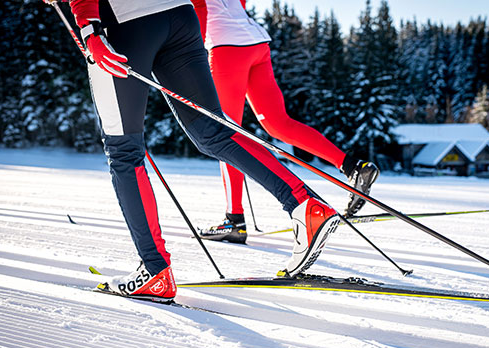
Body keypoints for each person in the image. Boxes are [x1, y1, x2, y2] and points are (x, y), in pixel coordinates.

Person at [61, 0, 340, 301]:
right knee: (213, 131)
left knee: (124, 151)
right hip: (181, 16)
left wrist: (90, 29)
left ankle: (154, 271)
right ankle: (304, 204)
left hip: (122, 24)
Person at [192, 0, 380, 245]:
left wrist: (189, 59)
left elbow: (200, 9)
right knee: (278, 124)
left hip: (226, 47)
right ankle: (353, 166)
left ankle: (234, 220)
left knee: (226, 135)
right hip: (256, 42)